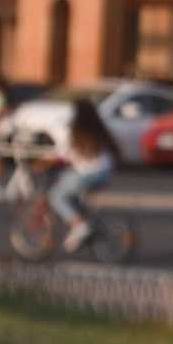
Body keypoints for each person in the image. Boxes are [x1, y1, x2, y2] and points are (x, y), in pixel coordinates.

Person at [48, 95, 116, 249]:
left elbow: (63, 154)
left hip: (89, 174)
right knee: (69, 185)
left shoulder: (76, 131)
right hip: (105, 173)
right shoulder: (98, 128)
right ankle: (86, 224)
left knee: (56, 195)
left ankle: (79, 226)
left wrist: (39, 165)